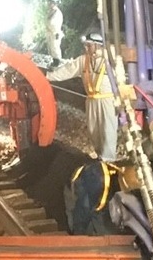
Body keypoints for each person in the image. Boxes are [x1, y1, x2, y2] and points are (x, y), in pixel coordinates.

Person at [47, 29, 119, 161]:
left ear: (98, 45)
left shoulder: (108, 60)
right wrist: (48, 77)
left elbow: (117, 54)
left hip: (107, 100)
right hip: (91, 100)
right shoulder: (83, 60)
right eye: (85, 45)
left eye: (89, 45)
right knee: (94, 131)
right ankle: (100, 156)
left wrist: (103, 52)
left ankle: (108, 159)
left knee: (108, 129)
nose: (86, 48)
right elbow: (67, 71)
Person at [46, 0, 64, 64]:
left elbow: (56, 24)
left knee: (55, 47)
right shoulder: (50, 12)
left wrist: (55, 32)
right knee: (51, 47)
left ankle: (57, 61)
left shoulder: (58, 13)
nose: (49, 4)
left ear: (54, 4)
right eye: (49, 3)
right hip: (50, 32)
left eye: (51, 3)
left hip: (55, 32)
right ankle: (54, 61)